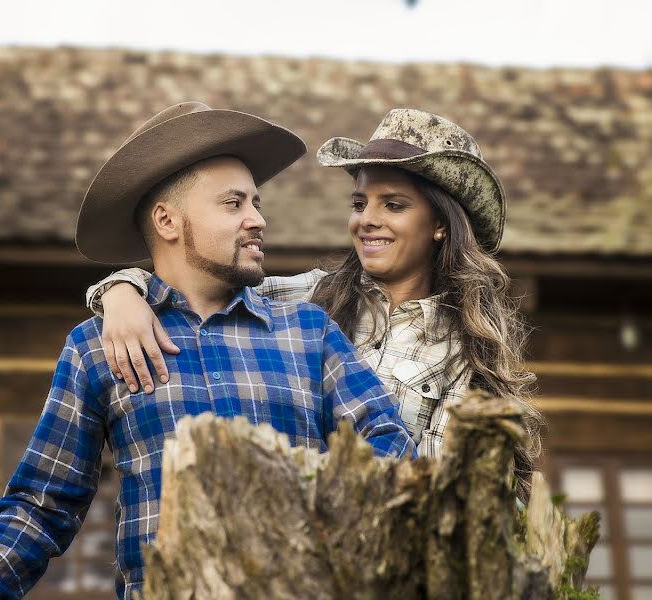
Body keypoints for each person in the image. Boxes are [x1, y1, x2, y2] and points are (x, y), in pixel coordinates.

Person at [0, 102, 414, 600]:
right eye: (233, 203)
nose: (257, 219)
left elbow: (391, 445)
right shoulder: (95, 348)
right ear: (167, 222)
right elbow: (42, 506)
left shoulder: (308, 331)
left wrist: (309, 519)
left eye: (256, 202)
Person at [86, 108, 543, 501]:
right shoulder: (309, 297)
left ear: (440, 224)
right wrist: (120, 291)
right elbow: (194, 287)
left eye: (394, 205)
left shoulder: (468, 351)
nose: (367, 219)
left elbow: (461, 490)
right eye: (360, 202)